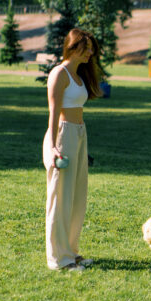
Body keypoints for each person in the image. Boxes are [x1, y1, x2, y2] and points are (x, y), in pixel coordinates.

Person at [43, 28, 103, 271]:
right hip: (63, 134)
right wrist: (53, 147)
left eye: (91, 48)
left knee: (77, 197)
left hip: (79, 133)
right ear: (73, 46)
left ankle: (71, 252)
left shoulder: (78, 76)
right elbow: (53, 114)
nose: (90, 52)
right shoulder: (60, 74)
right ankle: (59, 259)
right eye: (86, 47)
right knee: (61, 197)